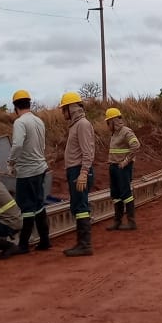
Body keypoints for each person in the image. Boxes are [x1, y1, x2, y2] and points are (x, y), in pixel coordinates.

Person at [7, 89, 52, 254]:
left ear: (15, 106)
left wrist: (11, 163)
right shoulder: (39, 121)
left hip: (27, 171)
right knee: (39, 204)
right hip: (40, 168)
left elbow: (17, 144)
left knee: (26, 207)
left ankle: (24, 244)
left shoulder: (20, 122)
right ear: (29, 103)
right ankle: (45, 240)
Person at [59, 91, 97, 257]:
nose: (62, 113)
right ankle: (82, 243)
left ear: (70, 108)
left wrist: (83, 173)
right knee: (77, 206)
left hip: (79, 170)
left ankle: (84, 244)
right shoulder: (76, 125)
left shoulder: (82, 124)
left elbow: (87, 152)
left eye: (63, 109)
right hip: (75, 170)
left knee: (81, 206)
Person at [103, 108, 141, 231]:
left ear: (113, 121)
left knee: (126, 193)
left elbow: (136, 145)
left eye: (108, 122)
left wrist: (125, 161)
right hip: (113, 166)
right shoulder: (114, 133)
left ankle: (131, 222)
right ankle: (117, 221)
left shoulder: (126, 132)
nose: (107, 125)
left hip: (122, 168)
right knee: (115, 194)